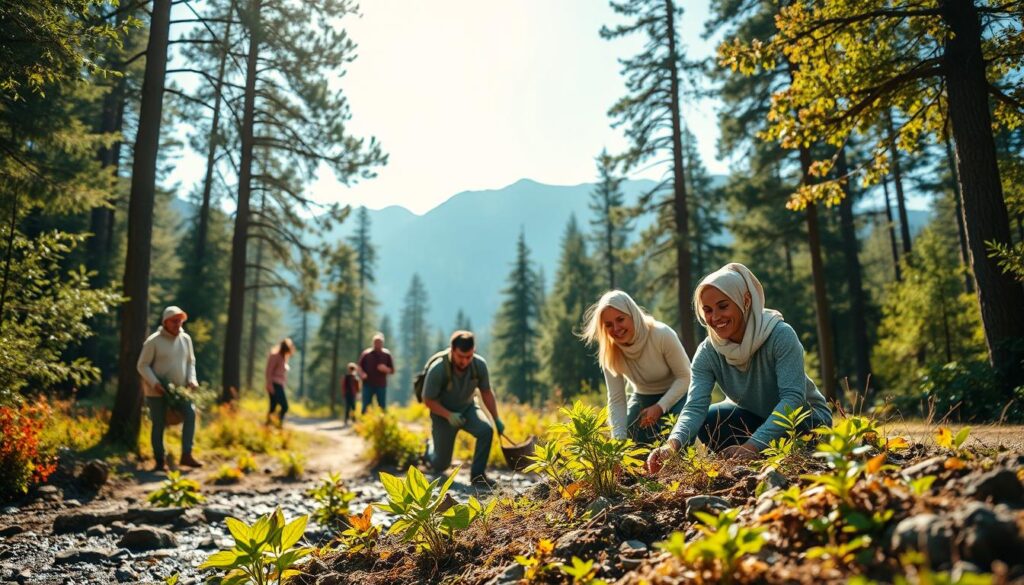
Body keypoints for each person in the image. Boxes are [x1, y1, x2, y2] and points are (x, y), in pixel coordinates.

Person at [647, 263, 833, 473]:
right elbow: (694, 406)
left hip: (804, 421)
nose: (715, 317)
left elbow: (793, 399)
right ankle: (755, 461)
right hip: (755, 419)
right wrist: (671, 446)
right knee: (710, 419)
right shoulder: (708, 352)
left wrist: (753, 445)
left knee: (803, 434)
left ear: (745, 300)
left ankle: (768, 456)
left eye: (723, 306)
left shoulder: (780, 335)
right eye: (707, 310)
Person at [580, 290, 692, 445]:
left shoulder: (661, 334)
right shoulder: (610, 351)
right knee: (630, 437)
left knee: (678, 432)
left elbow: (686, 377)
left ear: (633, 315)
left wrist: (660, 407)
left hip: (679, 395)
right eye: (609, 325)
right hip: (643, 397)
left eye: (620, 319)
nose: (616, 328)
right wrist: (617, 444)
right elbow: (617, 399)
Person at [422, 330, 504, 489]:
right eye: (461, 356)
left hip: (468, 409)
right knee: (441, 465)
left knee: (486, 430)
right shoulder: (438, 368)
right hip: (443, 415)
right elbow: (428, 400)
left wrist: (496, 419)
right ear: (452, 350)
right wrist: (448, 415)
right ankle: (429, 450)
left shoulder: (479, 365)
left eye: (469, 357)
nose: (465, 361)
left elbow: (486, 393)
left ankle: (478, 476)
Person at [137, 305, 203, 471]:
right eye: (174, 321)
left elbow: (190, 362)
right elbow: (142, 365)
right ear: (165, 322)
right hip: (156, 392)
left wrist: (192, 379)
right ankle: (160, 461)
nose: (178, 324)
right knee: (159, 424)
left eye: (180, 321)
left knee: (190, 413)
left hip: (180, 391)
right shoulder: (153, 341)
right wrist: (155, 383)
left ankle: (186, 455)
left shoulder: (186, 339)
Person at [358, 332, 395, 413]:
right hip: (367, 384)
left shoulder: (386, 354)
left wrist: (385, 369)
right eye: (376, 342)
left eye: (379, 342)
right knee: (366, 405)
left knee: (382, 406)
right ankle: (363, 423)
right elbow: (359, 367)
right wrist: (362, 374)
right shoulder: (366, 354)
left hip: (381, 385)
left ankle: (382, 423)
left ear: (382, 343)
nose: (377, 344)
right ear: (373, 343)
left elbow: (392, 370)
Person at [264, 338, 295, 426]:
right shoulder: (275, 355)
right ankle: (277, 424)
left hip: (279, 384)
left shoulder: (283, 356)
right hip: (274, 384)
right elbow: (268, 371)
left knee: (273, 406)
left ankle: (269, 426)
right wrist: (269, 384)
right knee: (284, 406)